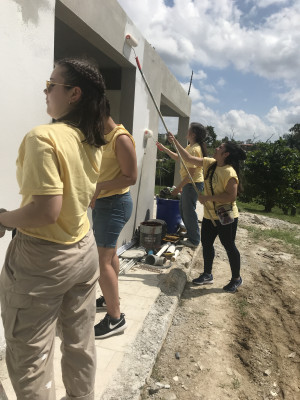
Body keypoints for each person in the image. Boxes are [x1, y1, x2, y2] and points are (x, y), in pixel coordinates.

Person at [0, 57, 107, 399]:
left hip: (42, 259)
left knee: (30, 355)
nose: (45, 92)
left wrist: (2, 218)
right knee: (79, 341)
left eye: (51, 85)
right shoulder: (91, 141)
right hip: (83, 249)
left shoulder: (42, 137)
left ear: (73, 93)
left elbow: (46, 211)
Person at [167, 132, 246, 293]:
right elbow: (188, 159)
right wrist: (175, 141)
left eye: (220, 147)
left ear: (226, 154)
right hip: (210, 215)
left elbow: (231, 196)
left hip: (226, 215)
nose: (216, 148)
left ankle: (236, 279)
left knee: (229, 245)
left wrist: (208, 197)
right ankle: (207, 274)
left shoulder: (230, 172)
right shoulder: (210, 163)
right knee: (207, 243)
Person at [90, 100, 137, 339]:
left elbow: (131, 177)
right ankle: (110, 299)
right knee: (110, 255)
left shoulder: (121, 138)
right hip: (105, 204)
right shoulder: (104, 136)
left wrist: (99, 187)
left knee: (102, 261)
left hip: (115, 205)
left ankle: (115, 319)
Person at [156, 123, 207, 248]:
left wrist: (178, 187)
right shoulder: (191, 146)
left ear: (193, 134)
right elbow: (178, 157)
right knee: (183, 209)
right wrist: (164, 148)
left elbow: (191, 173)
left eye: (189, 129)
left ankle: (194, 240)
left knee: (189, 211)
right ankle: (191, 234)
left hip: (192, 184)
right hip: (189, 184)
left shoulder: (195, 149)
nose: (187, 130)